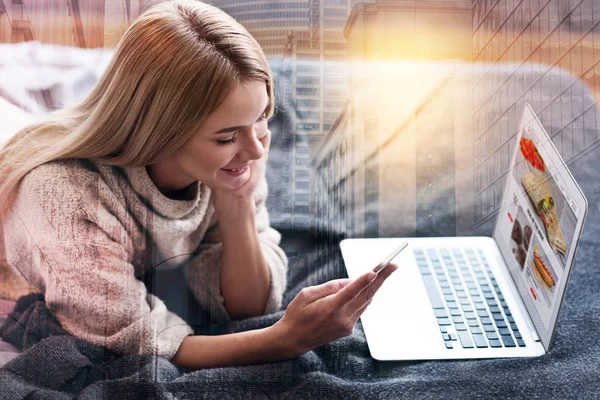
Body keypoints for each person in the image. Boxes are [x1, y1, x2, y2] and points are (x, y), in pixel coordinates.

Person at [0, 0, 397, 370]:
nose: (257, 151)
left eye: (262, 117)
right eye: (226, 137)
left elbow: (249, 306)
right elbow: (141, 339)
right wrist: (285, 340)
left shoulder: (232, 160)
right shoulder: (65, 198)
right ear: (160, 133)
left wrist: (235, 201)